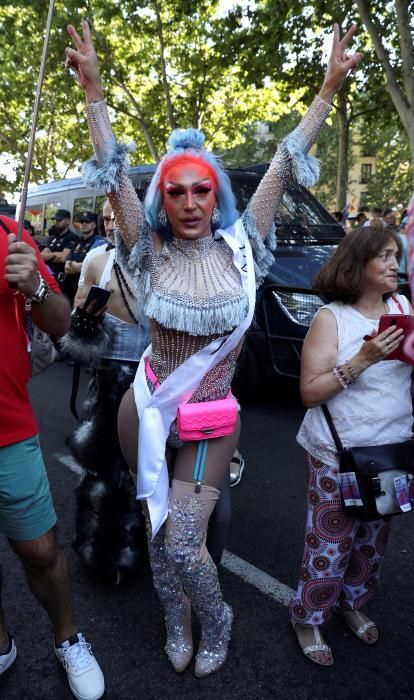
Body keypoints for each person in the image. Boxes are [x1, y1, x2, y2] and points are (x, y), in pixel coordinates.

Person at [66, 19, 362, 677]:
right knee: (154, 530)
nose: (192, 201)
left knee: (181, 543)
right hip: (143, 408)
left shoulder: (243, 245)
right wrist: (93, 93)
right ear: (161, 199)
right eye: (177, 190)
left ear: (217, 193)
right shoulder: (145, 249)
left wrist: (328, 88)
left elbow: (286, 161)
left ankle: (217, 617)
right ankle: (176, 620)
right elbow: (113, 171)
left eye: (203, 189)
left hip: (209, 420)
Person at [289, 225, 412, 667]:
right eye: (384, 256)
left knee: (372, 542)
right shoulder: (332, 318)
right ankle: (307, 616)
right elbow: (309, 392)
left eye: (396, 255)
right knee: (330, 542)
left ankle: (351, 603)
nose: (395, 264)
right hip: (336, 453)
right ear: (358, 263)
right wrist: (364, 359)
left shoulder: (401, 307)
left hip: (392, 449)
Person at [0, 215, 104, 698]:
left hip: (8, 429)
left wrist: (36, 289)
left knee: (40, 550)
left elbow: (62, 323)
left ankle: (68, 639)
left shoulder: (9, 235)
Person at [61, 201, 150, 583]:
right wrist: (84, 322)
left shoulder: (161, 261)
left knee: (141, 475)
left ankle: (135, 555)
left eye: (120, 216)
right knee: (101, 472)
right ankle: (95, 554)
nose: (113, 223)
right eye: (108, 217)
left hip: (151, 385)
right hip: (107, 383)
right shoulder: (98, 259)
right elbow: (75, 331)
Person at [63, 211, 106, 304]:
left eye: (87, 222)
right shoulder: (77, 242)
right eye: (82, 222)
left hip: (85, 290)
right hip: (70, 288)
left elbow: (92, 267)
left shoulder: (99, 242)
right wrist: (78, 266)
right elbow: (66, 267)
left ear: (94, 225)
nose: (84, 224)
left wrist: (73, 264)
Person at [40, 209, 79, 287]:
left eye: (59, 220)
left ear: (68, 221)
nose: (56, 222)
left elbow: (63, 258)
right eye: (55, 220)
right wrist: (55, 254)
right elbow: (41, 256)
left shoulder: (72, 237)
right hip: (47, 277)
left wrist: (49, 255)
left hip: (60, 280)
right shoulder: (55, 237)